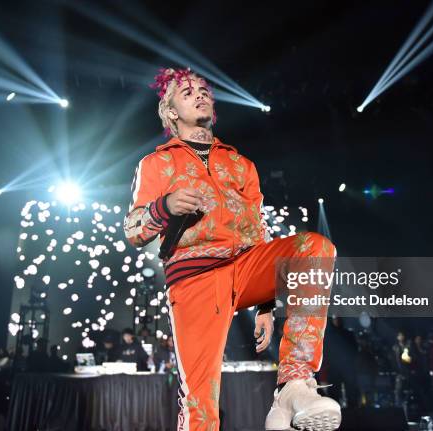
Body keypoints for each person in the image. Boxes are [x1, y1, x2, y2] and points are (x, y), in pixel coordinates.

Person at [123, 67, 340, 431]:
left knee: (315, 247)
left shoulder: (241, 165)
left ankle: (292, 387)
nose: (200, 93)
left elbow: (258, 232)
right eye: (187, 91)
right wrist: (166, 205)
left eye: (203, 88)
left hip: (245, 267)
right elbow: (133, 231)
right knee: (200, 398)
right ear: (171, 111)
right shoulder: (156, 163)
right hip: (194, 278)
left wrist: (266, 305)